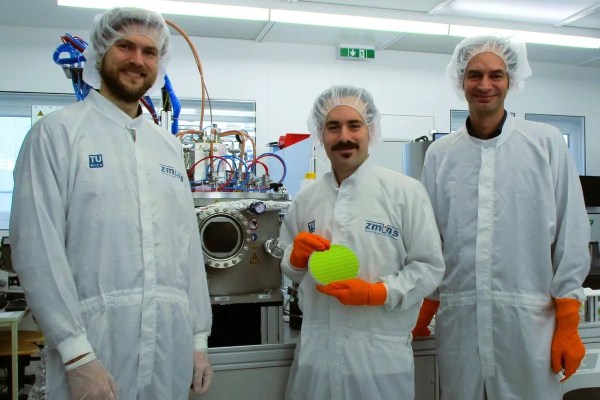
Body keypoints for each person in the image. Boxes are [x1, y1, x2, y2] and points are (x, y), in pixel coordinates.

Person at [9, 7, 213, 400]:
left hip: (168, 349)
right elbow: (38, 251)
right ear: (100, 52)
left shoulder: (168, 147)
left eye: (149, 52)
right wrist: (77, 356)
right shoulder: (57, 134)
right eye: (125, 46)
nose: (137, 59)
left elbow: (187, 250)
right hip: (92, 348)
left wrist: (198, 341)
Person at [415, 34, 591, 400]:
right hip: (460, 326)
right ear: (461, 80)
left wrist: (568, 321)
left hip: (529, 328)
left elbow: (571, 230)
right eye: (474, 75)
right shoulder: (440, 155)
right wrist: (424, 307)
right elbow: (429, 241)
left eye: (496, 75)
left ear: (510, 81)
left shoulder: (545, 143)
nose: (485, 85)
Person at [278, 85, 445, 400]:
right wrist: (295, 259)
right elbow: (289, 268)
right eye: (333, 127)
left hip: (379, 364)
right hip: (315, 361)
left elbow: (429, 267)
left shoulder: (405, 193)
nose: (344, 136)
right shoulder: (307, 198)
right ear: (320, 134)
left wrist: (377, 293)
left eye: (354, 125)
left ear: (371, 130)